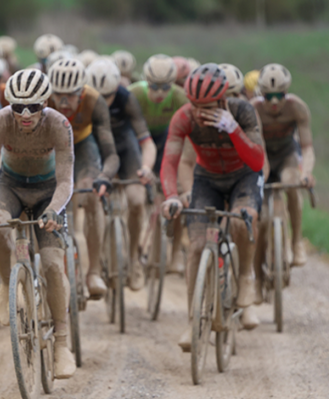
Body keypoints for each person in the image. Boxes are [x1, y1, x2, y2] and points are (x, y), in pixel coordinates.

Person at [159, 64, 265, 350]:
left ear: (221, 100)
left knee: (244, 221)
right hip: (207, 179)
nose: (198, 112)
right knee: (195, 247)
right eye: (194, 105)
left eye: (205, 106)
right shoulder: (184, 118)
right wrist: (171, 195)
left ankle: (245, 277)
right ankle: (193, 321)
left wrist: (232, 128)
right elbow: (170, 161)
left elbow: (257, 161)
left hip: (243, 175)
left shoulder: (242, 111)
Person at [0, 69, 77, 378]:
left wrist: (53, 210)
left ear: (45, 103)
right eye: (17, 106)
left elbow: (65, 180)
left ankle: (62, 343)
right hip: (10, 185)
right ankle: (9, 283)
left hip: (49, 189)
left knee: (51, 263)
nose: (24, 114)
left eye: (33, 107)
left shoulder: (60, 125)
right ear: (7, 103)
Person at [47, 58, 119, 299]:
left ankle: (94, 271)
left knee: (90, 195)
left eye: (71, 95)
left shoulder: (94, 101)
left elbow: (110, 152)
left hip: (82, 144)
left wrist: (104, 176)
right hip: (52, 147)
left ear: (82, 91)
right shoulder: (43, 99)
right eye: (58, 95)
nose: (64, 102)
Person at [87, 59, 157, 292]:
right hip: (98, 148)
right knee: (90, 200)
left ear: (116, 89)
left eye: (108, 97)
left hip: (126, 148)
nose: (104, 103)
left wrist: (146, 168)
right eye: (99, 97)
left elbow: (146, 142)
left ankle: (135, 259)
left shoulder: (127, 98)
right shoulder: (85, 100)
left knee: (137, 201)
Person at [129, 54, 191, 274]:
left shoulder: (180, 96)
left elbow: (189, 133)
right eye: (154, 87)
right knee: (134, 193)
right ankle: (131, 249)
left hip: (167, 139)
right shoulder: (134, 93)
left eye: (165, 88)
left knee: (176, 195)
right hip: (139, 140)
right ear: (146, 82)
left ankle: (175, 254)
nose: (159, 94)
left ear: (172, 85)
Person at [252, 63, 315, 269]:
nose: (275, 102)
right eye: (268, 97)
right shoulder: (254, 109)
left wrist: (306, 173)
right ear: (261, 94)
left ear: (287, 92)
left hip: (287, 154)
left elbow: (307, 148)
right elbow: (257, 146)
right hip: (263, 156)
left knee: (291, 183)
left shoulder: (297, 107)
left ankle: (297, 241)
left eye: (280, 95)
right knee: (259, 213)